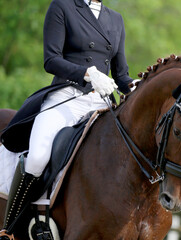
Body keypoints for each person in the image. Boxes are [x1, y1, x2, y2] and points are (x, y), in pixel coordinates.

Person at [0, 0, 133, 237]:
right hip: (67, 96)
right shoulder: (62, 7)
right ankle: (8, 228)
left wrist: (136, 87)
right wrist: (87, 73)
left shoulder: (116, 19)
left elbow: (121, 75)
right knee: (38, 157)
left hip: (100, 104)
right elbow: (51, 59)